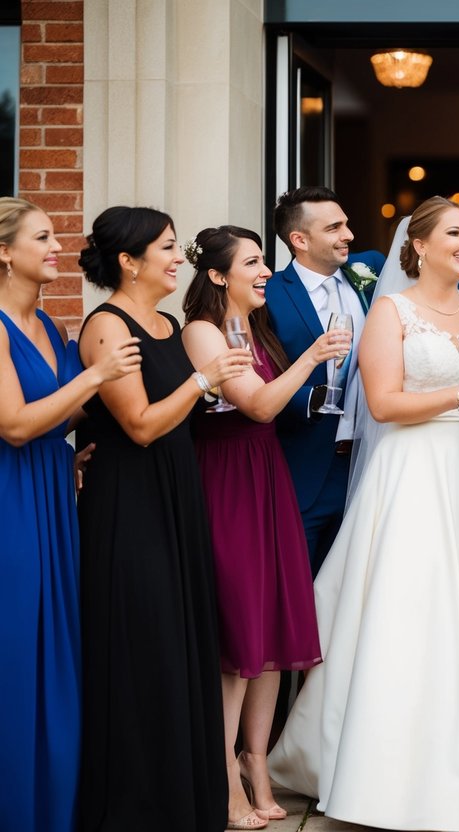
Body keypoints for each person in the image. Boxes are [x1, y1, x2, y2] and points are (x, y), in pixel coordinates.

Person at [269, 196, 459, 831]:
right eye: (455, 234)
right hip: (411, 474)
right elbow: (381, 402)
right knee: (406, 611)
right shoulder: (390, 310)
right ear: (420, 246)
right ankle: (383, 775)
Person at [75, 206, 252, 831]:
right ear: (129, 260)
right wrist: (205, 378)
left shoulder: (168, 322)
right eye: (168, 248)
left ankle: (183, 799)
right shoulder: (107, 325)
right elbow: (142, 425)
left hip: (178, 495)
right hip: (130, 502)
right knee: (141, 644)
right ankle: (136, 806)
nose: (180, 260)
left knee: (180, 644)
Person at [182, 226, 349, 828]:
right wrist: (313, 355)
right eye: (253, 263)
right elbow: (254, 404)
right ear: (220, 275)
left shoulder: (257, 328)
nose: (264, 273)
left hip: (267, 475)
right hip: (226, 478)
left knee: (274, 631)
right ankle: (223, 771)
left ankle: (258, 759)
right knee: (239, 635)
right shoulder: (201, 331)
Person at [0, 198, 140, 832]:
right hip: (11, 499)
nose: (58, 246)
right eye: (43, 237)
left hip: (54, 492)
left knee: (55, 644)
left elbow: (60, 412)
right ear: (5, 253)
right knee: (16, 644)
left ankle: (53, 806)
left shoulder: (52, 328)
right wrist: (99, 375)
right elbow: (15, 425)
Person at [263, 186, 385, 574]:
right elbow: (259, 373)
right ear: (299, 240)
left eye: (346, 224)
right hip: (305, 465)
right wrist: (309, 401)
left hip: (370, 463)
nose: (348, 235)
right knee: (304, 587)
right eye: (334, 228)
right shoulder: (269, 296)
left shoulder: (371, 274)